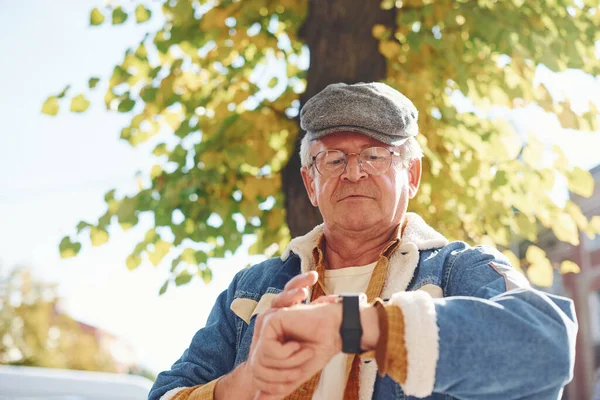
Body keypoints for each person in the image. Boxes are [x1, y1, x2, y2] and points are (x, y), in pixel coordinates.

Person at [148, 82, 577, 400]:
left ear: (411, 176)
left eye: (375, 155)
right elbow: (167, 393)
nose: (353, 173)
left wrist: (351, 325)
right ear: (310, 184)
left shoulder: (459, 269)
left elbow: (549, 347)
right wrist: (245, 382)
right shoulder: (251, 289)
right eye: (333, 159)